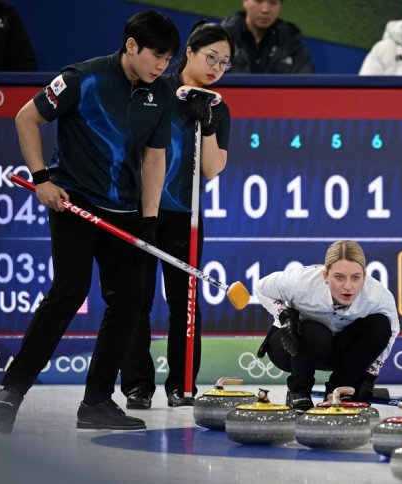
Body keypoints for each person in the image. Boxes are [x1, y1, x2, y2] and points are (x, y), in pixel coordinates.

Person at [0, 10, 180, 433]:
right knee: (68, 294)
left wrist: (149, 219)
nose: (163, 67)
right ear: (131, 45)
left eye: (168, 60)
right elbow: (26, 118)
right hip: (74, 205)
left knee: (129, 303)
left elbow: (153, 158)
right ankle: (10, 394)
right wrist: (41, 180)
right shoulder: (83, 78)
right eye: (157, 57)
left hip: (125, 213)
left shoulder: (161, 93)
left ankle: (96, 402)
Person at [120, 21, 234, 410]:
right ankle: (137, 385)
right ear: (189, 52)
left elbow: (214, 168)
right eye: (210, 58)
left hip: (186, 214)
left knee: (184, 300)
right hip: (142, 210)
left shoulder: (217, 107)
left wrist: (207, 124)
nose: (216, 68)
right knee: (137, 297)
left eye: (224, 64)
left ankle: (182, 385)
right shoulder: (154, 89)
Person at [255, 240, 399, 412]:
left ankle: (338, 391)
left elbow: (391, 331)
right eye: (339, 277)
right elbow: (261, 288)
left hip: (336, 352)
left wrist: (369, 376)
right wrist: (285, 316)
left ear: (364, 277)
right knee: (316, 332)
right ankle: (298, 392)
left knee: (380, 325)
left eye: (355, 277)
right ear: (325, 275)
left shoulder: (378, 296)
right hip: (290, 348)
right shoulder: (300, 282)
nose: (348, 286)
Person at [221, 0, 313, 74]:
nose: (265, 10)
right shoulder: (219, 42)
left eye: (273, 3)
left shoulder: (293, 47)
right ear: (245, 2)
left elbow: (305, 92)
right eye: (259, 1)